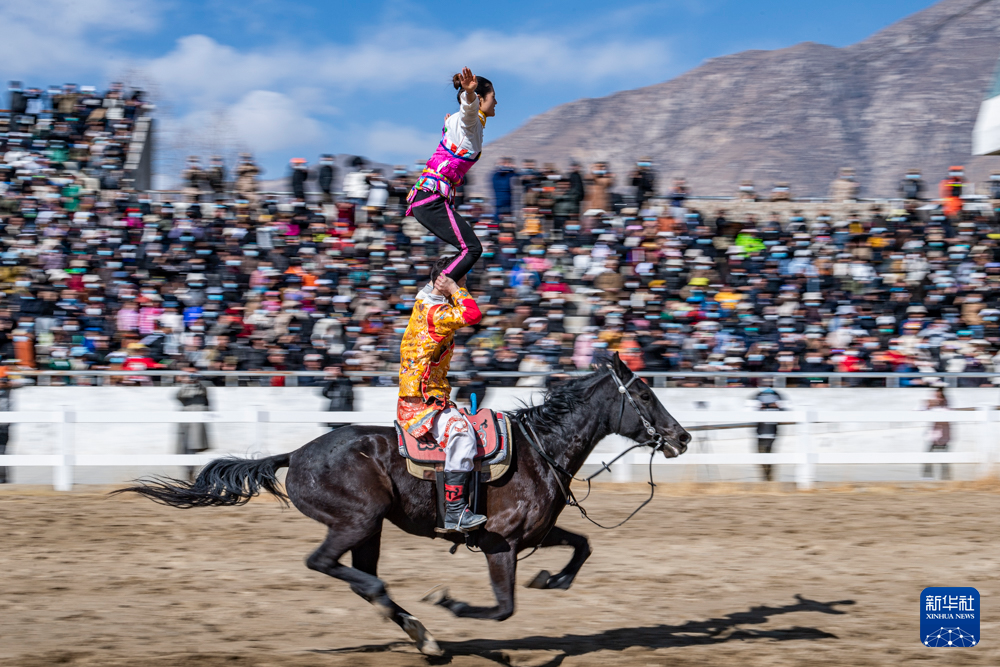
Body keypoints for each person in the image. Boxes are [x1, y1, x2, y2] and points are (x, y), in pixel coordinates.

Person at [397, 255, 485, 532]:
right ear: (445, 283)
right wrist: (454, 289)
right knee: (461, 432)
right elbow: (473, 314)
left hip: (429, 392)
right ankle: (456, 512)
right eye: (463, 282)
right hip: (422, 400)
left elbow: (431, 288)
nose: (465, 288)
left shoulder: (425, 300)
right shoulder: (437, 313)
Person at [405, 67, 495, 283]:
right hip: (430, 199)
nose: (497, 102)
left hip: (427, 197)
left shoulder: (463, 122)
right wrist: (469, 94)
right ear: (481, 98)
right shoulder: (470, 120)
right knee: (471, 249)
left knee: (468, 249)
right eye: (493, 97)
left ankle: (438, 289)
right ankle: (435, 294)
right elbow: (469, 112)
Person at [176, 371, 211, 482]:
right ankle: (189, 473)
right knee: (185, 448)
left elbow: (204, 395)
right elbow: (180, 396)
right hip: (185, 422)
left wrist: (196, 382)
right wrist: (186, 382)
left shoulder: (202, 388)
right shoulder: (183, 389)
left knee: (194, 447)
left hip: (197, 423)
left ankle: (192, 473)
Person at [751, 386, 785, 482]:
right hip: (760, 432)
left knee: (768, 456)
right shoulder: (757, 396)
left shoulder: (777, 396)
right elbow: (749, 411)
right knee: (762, 456)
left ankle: (768, 479)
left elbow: (785, 411)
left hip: (772, 432)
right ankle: (766, 479)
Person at [923, 386, 951, 480]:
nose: (937, 397)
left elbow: (947, 414)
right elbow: (919, 411)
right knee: (928, 459)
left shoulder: (946, 406)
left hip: (943, 437)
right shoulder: (931, 404)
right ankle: (927, 478)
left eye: (939, 395)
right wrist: (928, 405)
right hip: (933, 437)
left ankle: (946, 478)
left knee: (944, 460)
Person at [322, 365, 354, 430]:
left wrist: (335, 377)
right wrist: (331, 379)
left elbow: (346, 394)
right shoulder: (333, 384)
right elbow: (325, 392)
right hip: (334, 414)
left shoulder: (346, 383)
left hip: (343, 415)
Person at [0, 369, 11, 484]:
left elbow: (23, 382)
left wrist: (7, 383)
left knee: (2, 451)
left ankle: (2, 477)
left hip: (3, 425)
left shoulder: (7, 388)